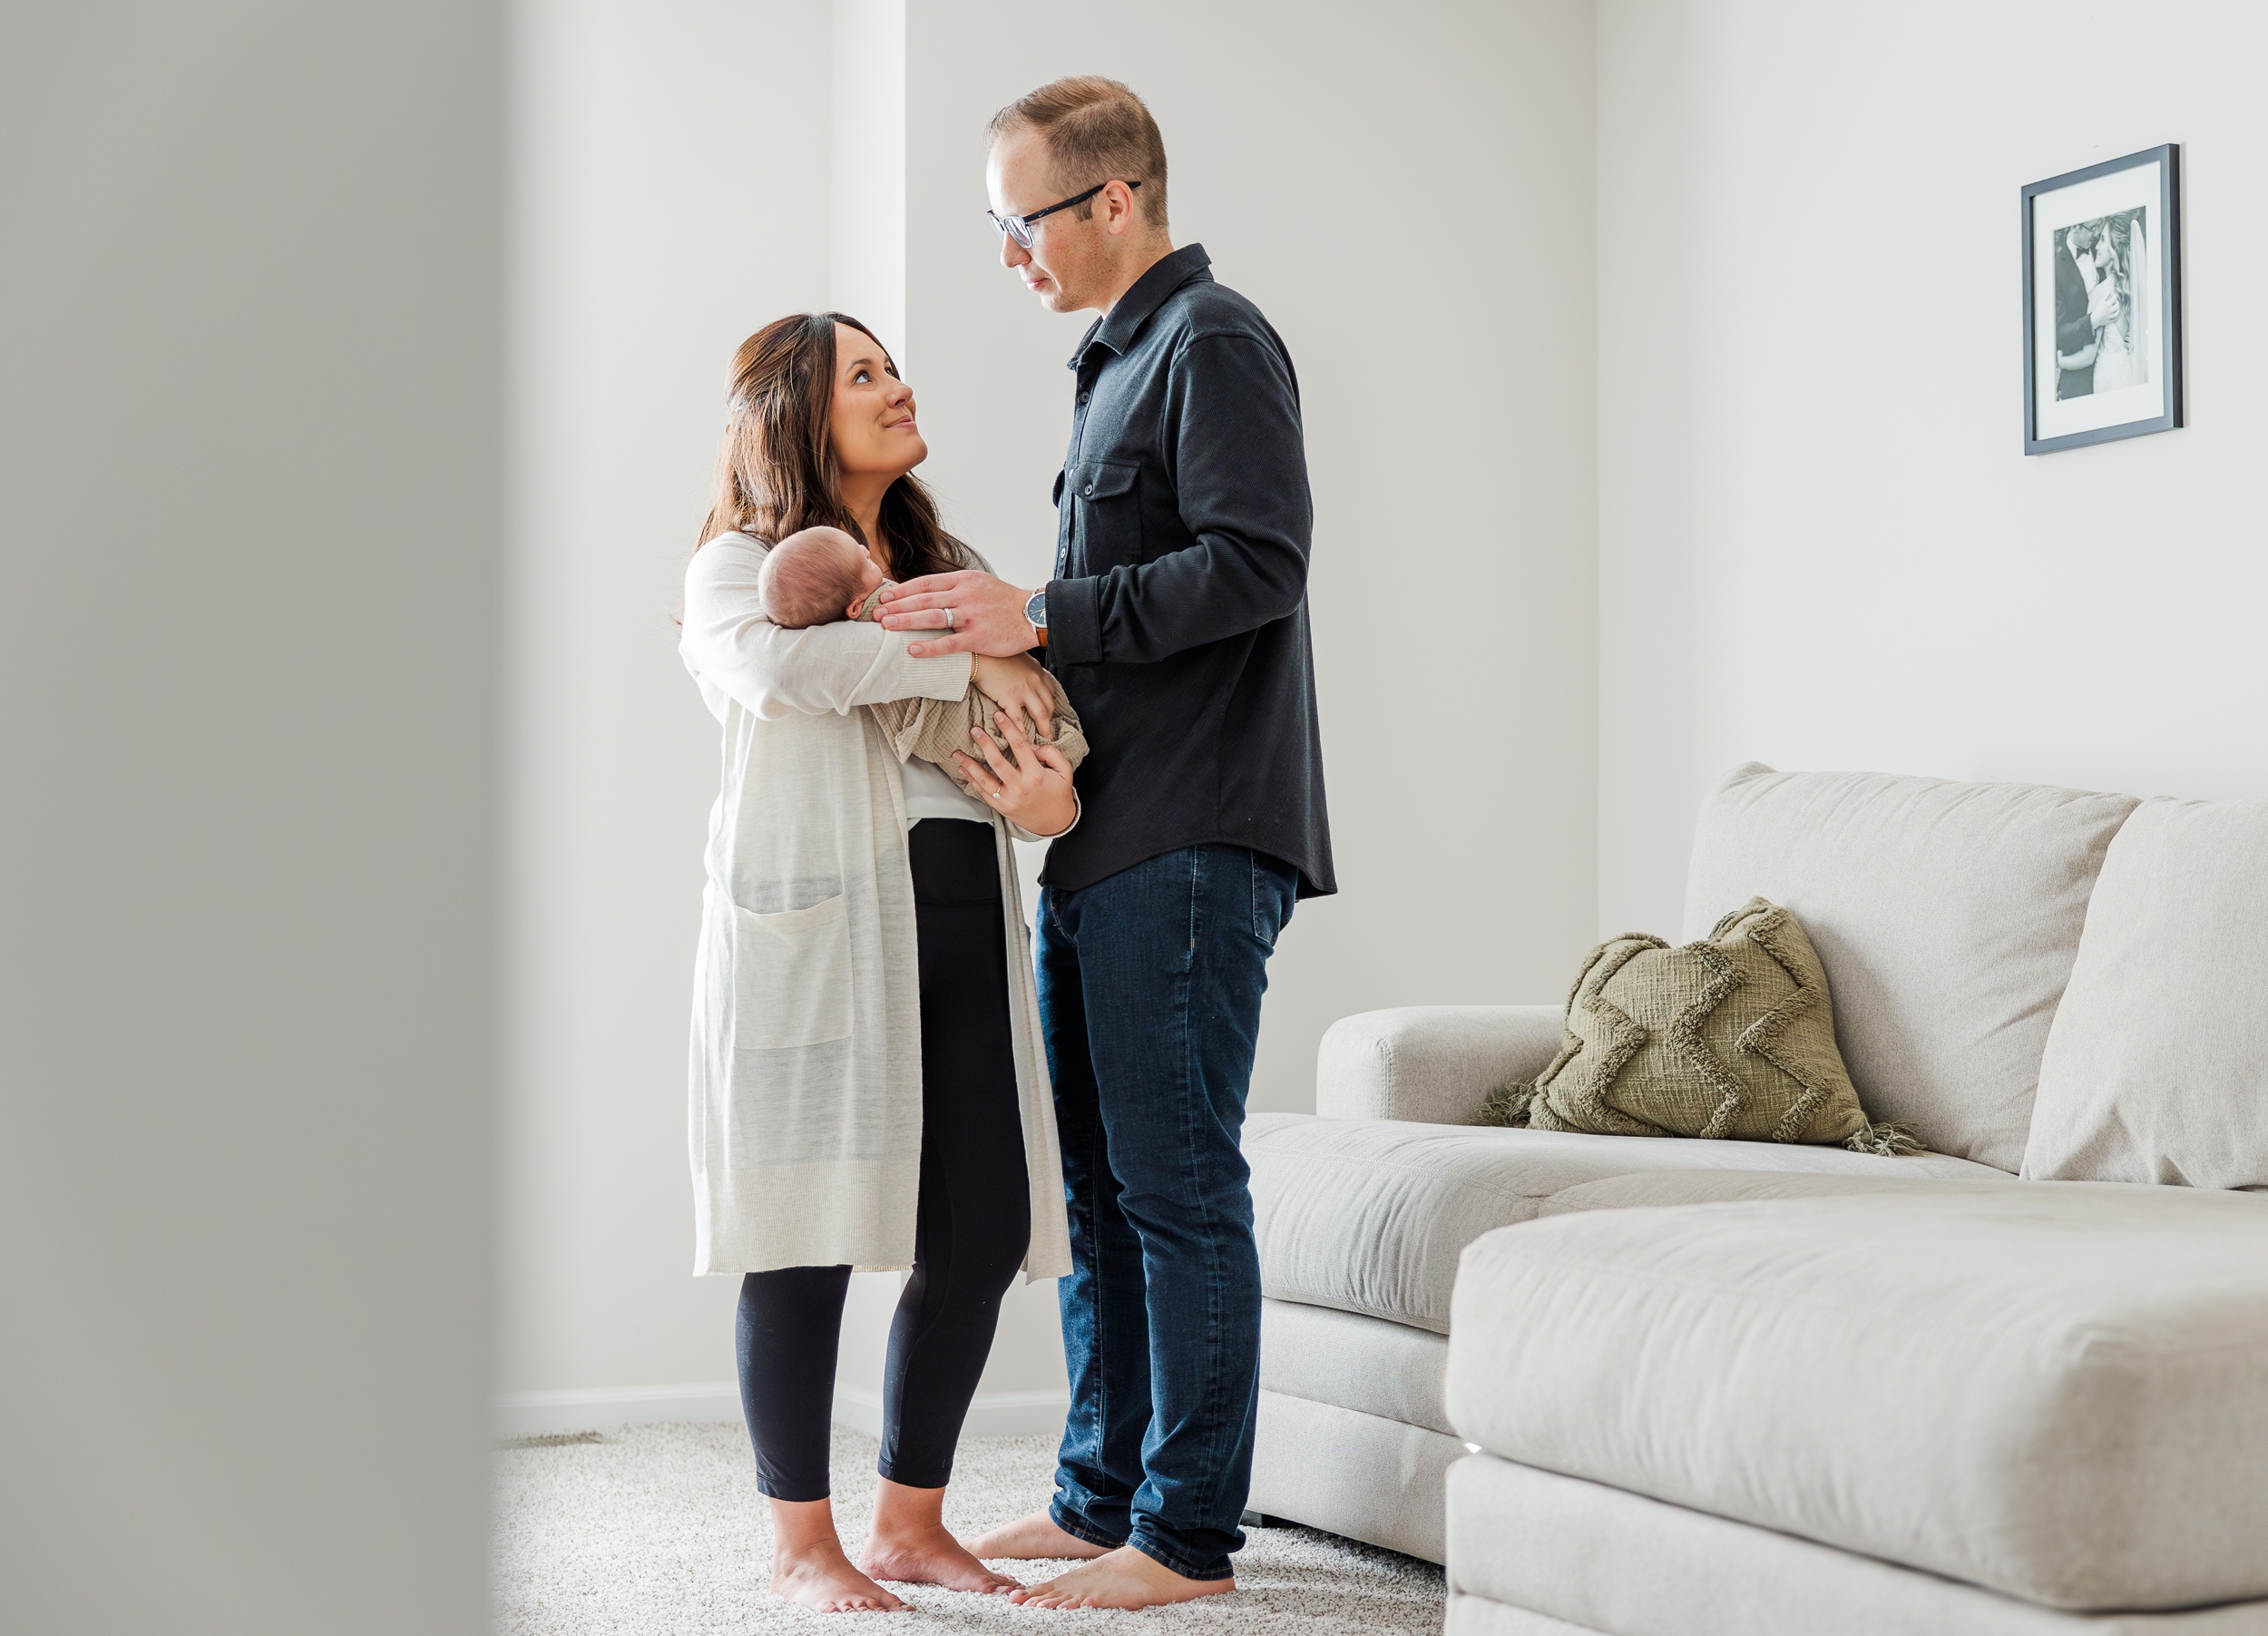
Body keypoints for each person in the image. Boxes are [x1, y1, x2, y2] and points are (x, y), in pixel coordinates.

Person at [875, 75, 1334, 1611]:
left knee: (1176, 1181)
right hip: (1102, 832)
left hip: (1197, 833)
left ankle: (1187, 1538)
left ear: (1115, 200)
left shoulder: (1213, 341)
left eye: (1023, 225)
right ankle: (1098, 1495)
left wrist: (1045, 613)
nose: (1013, 256)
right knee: (1102, 1190)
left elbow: (1258, 564)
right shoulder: (1114, 366)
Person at [679, 311, 1080, 1613]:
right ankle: (803, 1540)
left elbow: (1050, 713)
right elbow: (773, 667)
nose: (898, 386)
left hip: (958, 898)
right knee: (800, 1230)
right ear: (798, 410)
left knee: (983, 1226)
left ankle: (911, 1520)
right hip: (815, 924)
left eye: (892, 365)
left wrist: (1047, 792)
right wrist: (970, 653)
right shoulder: (734, 564)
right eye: (864, 374)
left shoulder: (946, 560)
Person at [756, 524, 1090, 801]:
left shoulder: (948, 554)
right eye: (863, 562)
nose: (866, 551)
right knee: (1009, 731)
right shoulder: (887, 608)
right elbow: (780, 670)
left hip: (983, 822)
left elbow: (1028, 822)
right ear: (855, 609)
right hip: (957, 756)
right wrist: (978, 661)